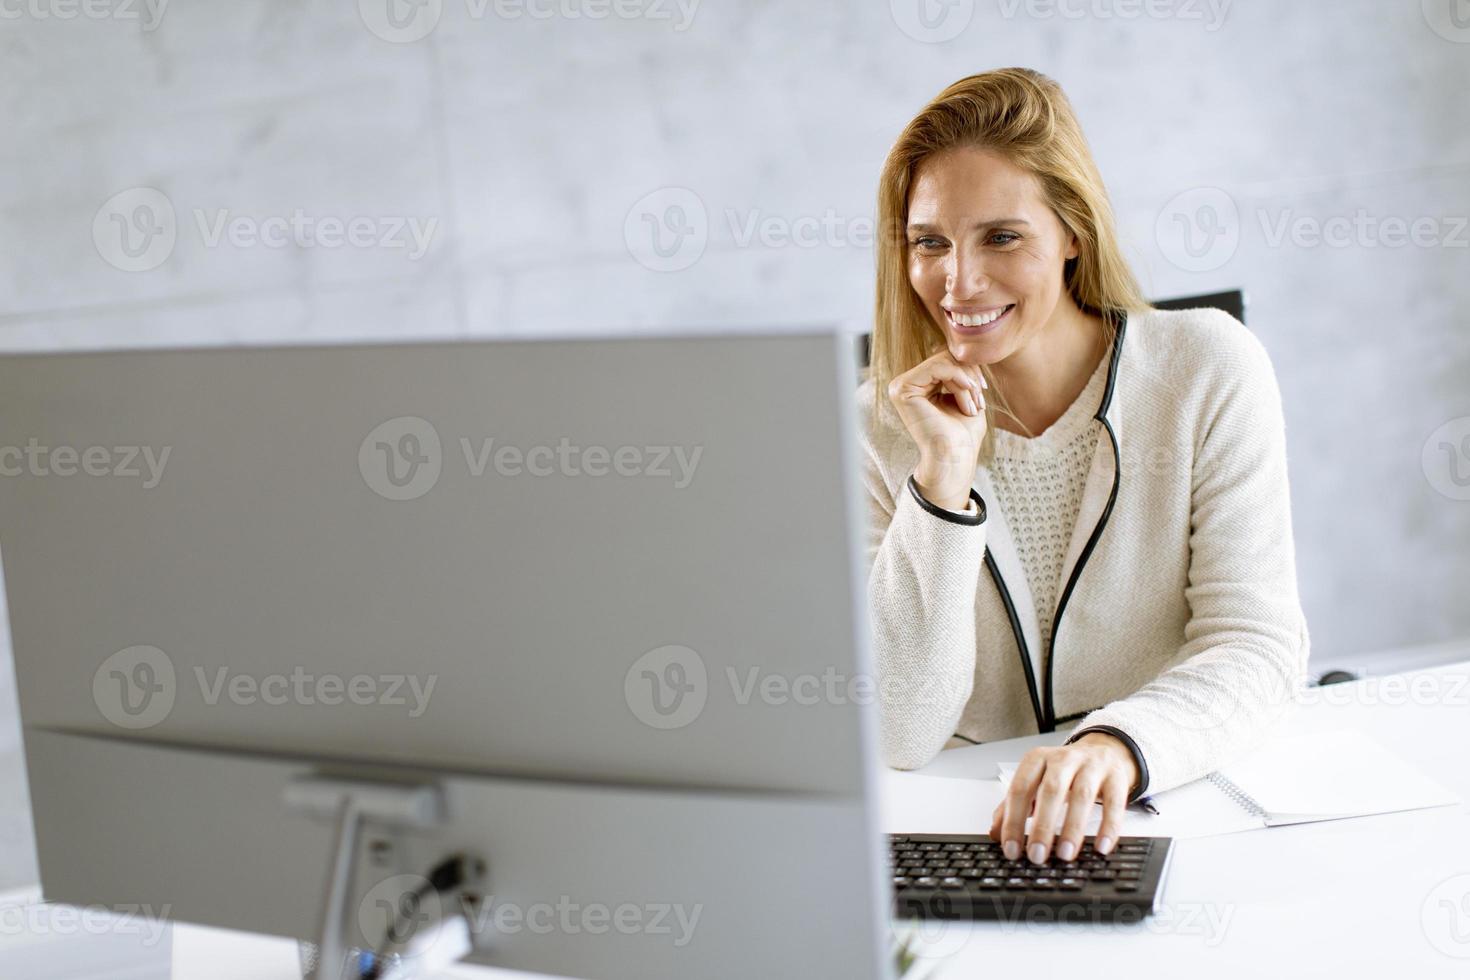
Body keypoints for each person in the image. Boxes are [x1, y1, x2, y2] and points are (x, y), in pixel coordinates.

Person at [860, 67, 1309, 866]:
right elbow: (898, 728)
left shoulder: (1207, 369)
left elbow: (1256, 645)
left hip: (1167, 802)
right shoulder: (882, 427)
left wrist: (1113, 746)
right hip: (976, 835)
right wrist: (941, 483)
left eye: (1001, 237)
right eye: (930, 242)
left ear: (1073, 232)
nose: (958, 282)